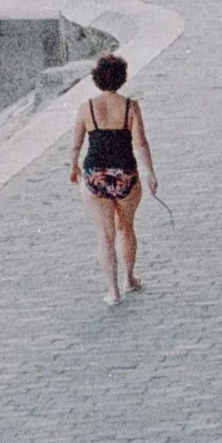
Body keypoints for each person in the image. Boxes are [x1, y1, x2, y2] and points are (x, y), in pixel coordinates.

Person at [69, 53, 156, 302]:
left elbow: (76, 144)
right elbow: (140, 143)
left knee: (104, 234)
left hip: (95, 175)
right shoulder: (130, 106)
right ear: (122, 78)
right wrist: (150, 173)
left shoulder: (86, 108)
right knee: (126, 228)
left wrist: (73, 167)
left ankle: (112, 291)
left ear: (96, 78)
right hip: (126, 174)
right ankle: (129, 279)